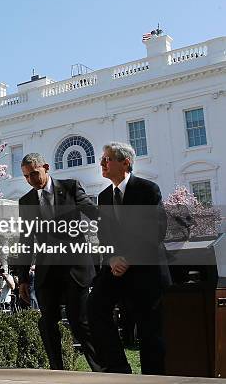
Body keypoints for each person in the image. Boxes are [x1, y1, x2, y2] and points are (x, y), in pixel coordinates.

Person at [88, 142, 170, 375]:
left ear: (126, 162)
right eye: (102, 159)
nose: (102, 163)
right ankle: (117, 368)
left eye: (107, 159)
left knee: (150, 330)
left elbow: (156, 231)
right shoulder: (103, 197)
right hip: (116, 269)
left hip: (146, 268)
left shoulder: (147, 189)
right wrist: (113, 258)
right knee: (94, 307)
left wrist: (129, 258)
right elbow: (104, 234)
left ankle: (154, 378)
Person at [16, 152, 101, 371]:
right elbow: (26, 239)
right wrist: (23, 278)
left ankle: (101, 370)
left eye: (34, 174)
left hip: (75, 266)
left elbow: (95, 214)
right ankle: (57, 370)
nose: (31, 180)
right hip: (47, 270)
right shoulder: (26, 201)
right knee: (47, 322)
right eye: (26, 177)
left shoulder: (71, 187)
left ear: (45, 167)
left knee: (79, 321)